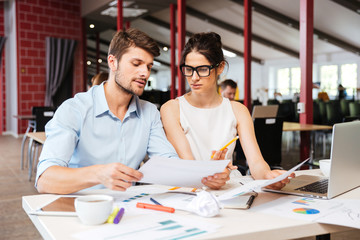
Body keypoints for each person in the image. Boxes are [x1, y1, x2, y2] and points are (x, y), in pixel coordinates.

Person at [36, 28, 178, 194]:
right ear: (113, 62)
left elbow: (168, 163)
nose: (145, 73)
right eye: (136, 64)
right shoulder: (74, 109)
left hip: (128, 208)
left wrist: (206, 176)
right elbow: (45, 180)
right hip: (82, 209)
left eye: (148, 66)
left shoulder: (149, 112)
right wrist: (98, 174)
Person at [160, 32, 292, 190]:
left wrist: (268, 176)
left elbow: (256, 162)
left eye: (202, 69)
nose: (194, 77)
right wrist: (208, 173)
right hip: (191, 188)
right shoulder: (172, 109)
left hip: (228, 187)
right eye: (188, 69)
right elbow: (189, 164)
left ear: (220, 67)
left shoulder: (238, 110)